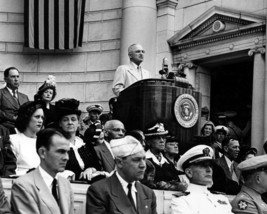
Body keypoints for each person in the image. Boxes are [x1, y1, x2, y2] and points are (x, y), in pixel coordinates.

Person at [86, 135, 157, 214]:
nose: (143, 165)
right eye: (137, 160)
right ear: (119, 162)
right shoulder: (99, 191)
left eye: (144, 159)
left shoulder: (148, 193)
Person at [11, 128, 74, 214]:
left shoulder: (65, 184)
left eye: (68, 152)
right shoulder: (23, 186)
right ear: (42, 153)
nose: (66, 157)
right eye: (61, 151)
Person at [171, 145, 233, 214]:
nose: (209, 170)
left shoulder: (222, 198)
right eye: (203, 165)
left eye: (210, 165)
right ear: (189, 172)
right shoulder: (182, 201)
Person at [55, 98, 103, 182]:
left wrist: (90, 169)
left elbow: (97, 165)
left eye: (73, 119)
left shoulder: (84, 142)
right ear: (60, 123)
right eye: (65, 120)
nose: (70, 122)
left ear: (78, 123)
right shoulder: (56, 143)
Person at [145, 123, 187, 191]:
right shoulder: (144, 160)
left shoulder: (168, 163)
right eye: (158, 138)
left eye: (163, 138)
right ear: (149, 142)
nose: (162, 141)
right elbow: (146, 183)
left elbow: (175, 180)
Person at [10, 101, 44, 175]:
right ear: (27, 118)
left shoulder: (45, 141)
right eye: (37, 117)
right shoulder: (13, 140)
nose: (40, 121)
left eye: (42, 117)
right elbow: (10, 170)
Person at [0, 67, 29, 134]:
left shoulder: (24, 97)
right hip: (6, 130)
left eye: (17, 77)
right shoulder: (1, 93)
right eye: (13, 77)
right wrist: (11, 117)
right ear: (5, 79)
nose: (16, 79)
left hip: (24, 130)